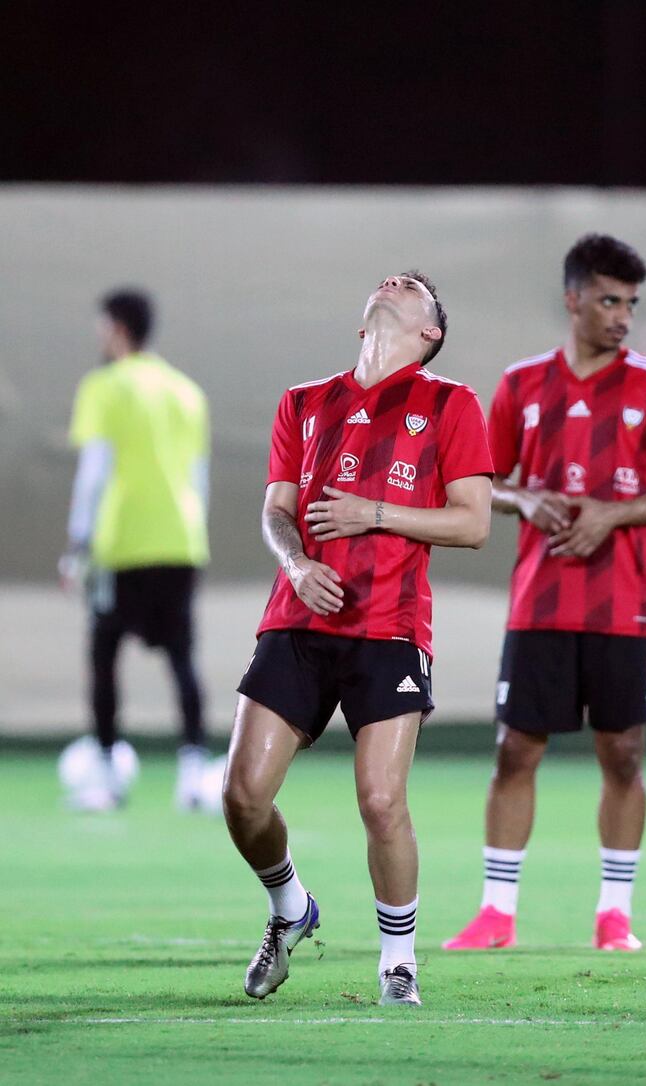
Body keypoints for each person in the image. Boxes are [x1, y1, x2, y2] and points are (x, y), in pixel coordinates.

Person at [223, 271, 493, 1006]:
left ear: (430, 332)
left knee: (380, 800)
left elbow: (473, 523)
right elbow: (277, 510)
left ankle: (397, 960)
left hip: (389, 627)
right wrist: (297, 562)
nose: (397, 280)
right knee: (242, 796)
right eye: (391, 279)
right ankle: (290, 909)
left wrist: (376, 513)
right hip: (297, 618)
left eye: (417, 288)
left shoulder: (451, 403)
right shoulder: (304, 402)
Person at [443, 234, 646, 953]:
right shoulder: (523, 385)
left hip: (627, 603)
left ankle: (614, 915)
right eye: (609, 300)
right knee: (515, 751)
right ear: (574, 298)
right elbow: (478, 480)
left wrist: (611, 514)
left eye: (632, 304)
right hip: (540, 600)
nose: (622, 316)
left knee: (622, 753)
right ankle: (496, 913)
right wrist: (524, 500)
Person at [61, 289, 211, 811]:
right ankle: (193, 773)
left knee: (103, 657)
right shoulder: (186, 392)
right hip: (181, 542)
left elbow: (94, 471)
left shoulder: (104, 387)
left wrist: (77, 547)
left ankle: (107, 775)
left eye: (104, 328)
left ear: (120, 329)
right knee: (183, 659)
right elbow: (199, 477)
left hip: (122, 543)